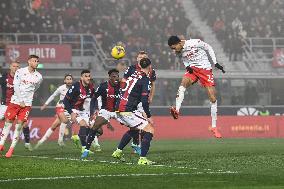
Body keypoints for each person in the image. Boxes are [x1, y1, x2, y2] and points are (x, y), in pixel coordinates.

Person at [83, 58, 155, 165]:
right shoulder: (145, 80)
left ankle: (118, 151)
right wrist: (148, 115)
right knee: (150, 130)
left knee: (135, 129)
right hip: (127, 110)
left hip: (118, 108)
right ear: (149, 67)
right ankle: (143, 159)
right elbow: (145, 100)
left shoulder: (132, 75)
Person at [168, 35, 225, 138]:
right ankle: (177, 110)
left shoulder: (194, 43)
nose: (173, 50)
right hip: (193, 70)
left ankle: (214, 126)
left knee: (213, 98)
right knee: (183, 83)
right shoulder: (178, 51)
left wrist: (215, 62)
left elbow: (208, 47)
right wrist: (187, 66)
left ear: (179, 43)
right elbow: (184, 59)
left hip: (205, 70)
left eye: (173, 47)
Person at [0, 55, 43, 158]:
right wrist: (21, 100)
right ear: (29, 61)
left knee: (19, 126)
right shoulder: (20, 71)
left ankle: (11, 149)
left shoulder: (39, 77)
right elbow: (16, 86)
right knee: (7, 124)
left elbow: (35, 88)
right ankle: (1, 145)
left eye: (37, 61)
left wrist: (26, 100)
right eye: (34, 61)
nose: (36, 63)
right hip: (15, 101)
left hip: (27, 105)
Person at [118, 51, 156, 154]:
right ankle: (139, 150)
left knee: (139, 126)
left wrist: (150, 96)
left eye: (144, 57)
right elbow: (123, 82)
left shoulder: (151, 71)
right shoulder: (131, 69)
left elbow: (152, 84)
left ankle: (135, 146)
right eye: (140, 57)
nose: (142, 58)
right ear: (137, 59)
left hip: (134, 102)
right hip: (132, 102)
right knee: (143, 126)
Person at [81, 68, 120, 159]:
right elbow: (94, 98)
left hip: (118, 112)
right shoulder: (103, 86)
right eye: (114, 76)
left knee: (134, 126)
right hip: (105, 111)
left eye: (117, 76)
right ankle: (86, 150)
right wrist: (92, 113)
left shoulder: (122, 86)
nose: (116, 78)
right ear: (109, 77)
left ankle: (135, 145)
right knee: (95, 127)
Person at [34, 74, 73, 149]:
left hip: (67, 109)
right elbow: (53, 96)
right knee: (64, 121)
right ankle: (60, 140)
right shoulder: (61, 88)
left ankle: (41, 141)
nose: (69, 80)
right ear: (64, 81)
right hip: (60, 107)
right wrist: (45, 104)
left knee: (54, 126)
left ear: (72, 80)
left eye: (70, 79)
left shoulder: (74, 89)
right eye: (67, 79)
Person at [0, 61, 32, 151]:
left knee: (24, 124)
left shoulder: (22, 78)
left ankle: (27, 143)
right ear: (10, 67)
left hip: (17, 104)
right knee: (6, 122)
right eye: (14, 66)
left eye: (17, 66)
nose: (15, 68)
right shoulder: (4, 77)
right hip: (5, 104)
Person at [63, 70, 95, 153]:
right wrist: (71, 112)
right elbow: (65, 101)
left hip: (81, 110)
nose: (88, 78)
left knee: (94, 128)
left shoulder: (90, 87)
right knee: (83, 124)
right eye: (86, 76)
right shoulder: (76, 86)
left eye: (89, 76)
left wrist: (95, 110)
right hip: (72, 109)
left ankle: (77, 136)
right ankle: (84, 148)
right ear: (81, 77)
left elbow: (94, 98)